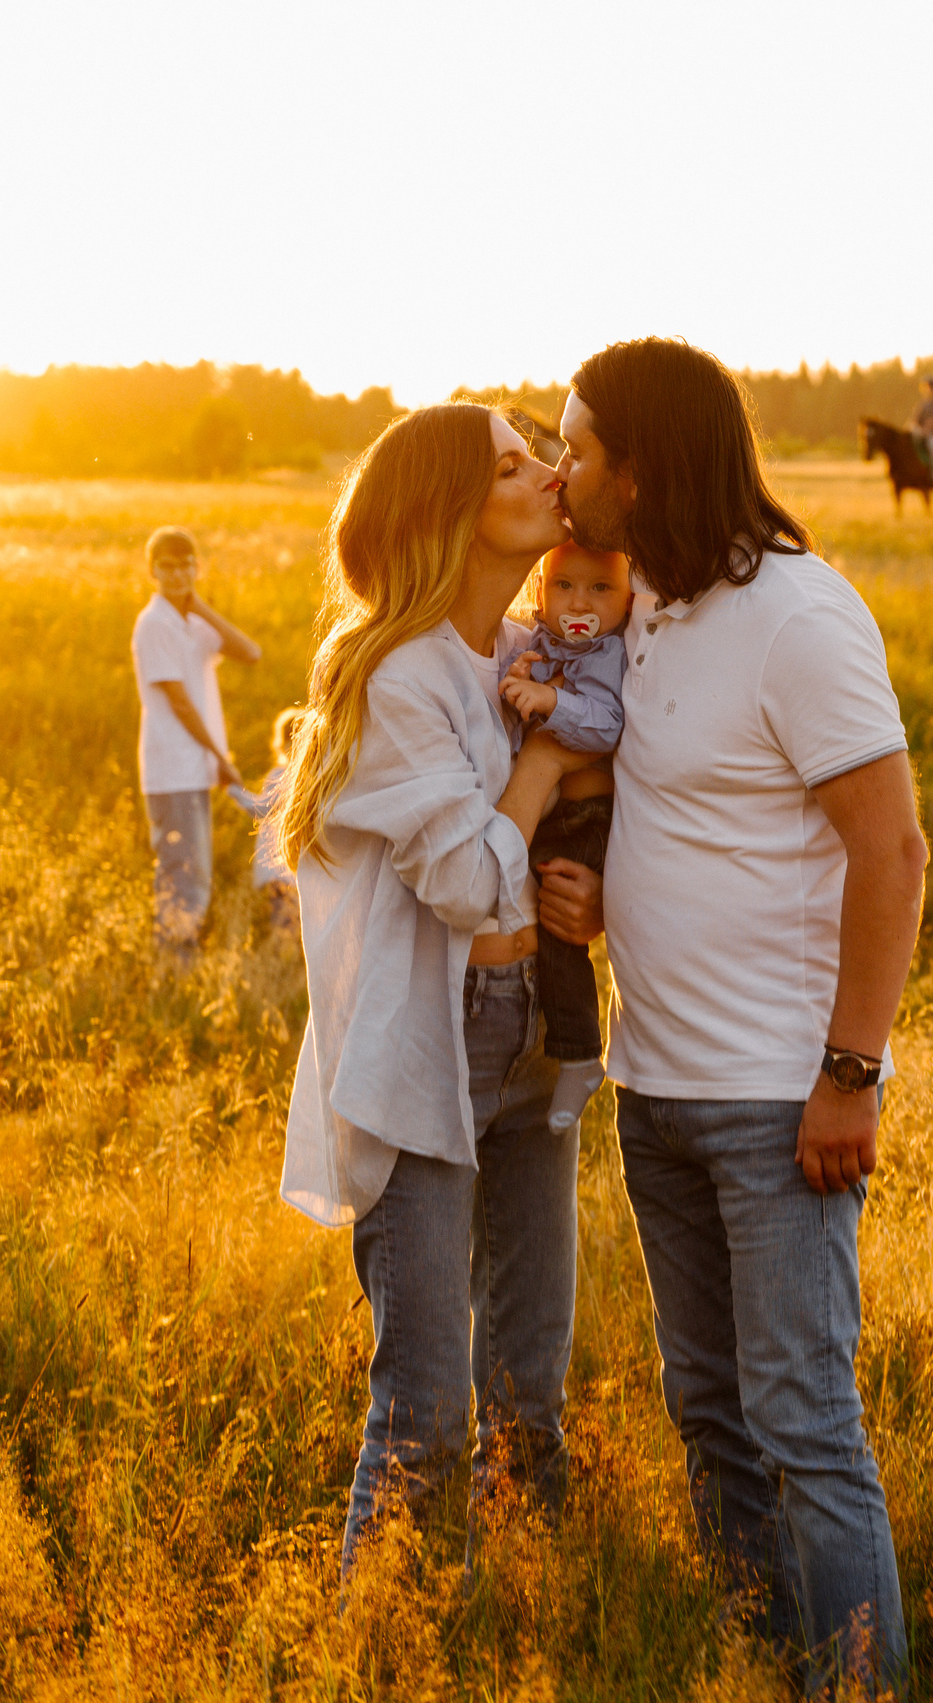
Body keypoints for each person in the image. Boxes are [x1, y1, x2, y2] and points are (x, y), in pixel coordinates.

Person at [553, 337, 926, 1690]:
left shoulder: (800, 611)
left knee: (803, 1419)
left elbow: (891, 851)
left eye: (576, 445)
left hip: (781, 1098)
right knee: (711, 1415)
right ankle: (763, 1665)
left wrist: (851, 1071)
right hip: (655, 1092)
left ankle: (859, 1687)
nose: (560, 468)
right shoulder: (636, 606)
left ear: (642, 467)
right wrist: (597, 886)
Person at [275, 403, 600, 1569]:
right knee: (425, 1408)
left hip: (536, 1029)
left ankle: (542, 1626)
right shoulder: (398, 675)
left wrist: (587, 896)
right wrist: (549, 762)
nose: (549, 474)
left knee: (531, 1388)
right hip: (431, 1040)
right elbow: (467, 877)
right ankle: (386, 1650)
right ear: (451, 516)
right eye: (514, 466)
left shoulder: (526, 652)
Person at [500, 540, 634, 1136]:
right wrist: (524, 676)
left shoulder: (608, 652)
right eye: (565, 587)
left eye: (601, 589)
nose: (580, 601)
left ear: (630, 600)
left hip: (591, 821)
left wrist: (551, 700)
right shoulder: (540, 642)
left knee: (560, 928)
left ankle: (579, 1054)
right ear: (540, 592)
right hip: (556, 815)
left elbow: (606, 725)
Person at [130, 526, 261, 963]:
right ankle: (173, 970)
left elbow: (250, 652)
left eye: (187, 564)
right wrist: (219, 757)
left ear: (197, 568)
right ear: (153, 570)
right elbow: (181, 705)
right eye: (167, 566)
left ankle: (175, 967)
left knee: (193, 874)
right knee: (184, 876)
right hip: (173, 768)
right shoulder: (153, 624)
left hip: (192, 768)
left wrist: (199, 606)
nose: (178, 574)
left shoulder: (190, 622)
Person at [227, 708, 305, 933]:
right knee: (295, 921)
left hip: (278, 865)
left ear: (282, 741)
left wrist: (233, 790)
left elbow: (262, 809)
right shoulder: (311, 775)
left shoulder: (282, 774)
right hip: (297, 865)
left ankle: (282, 962)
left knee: (283, 921)